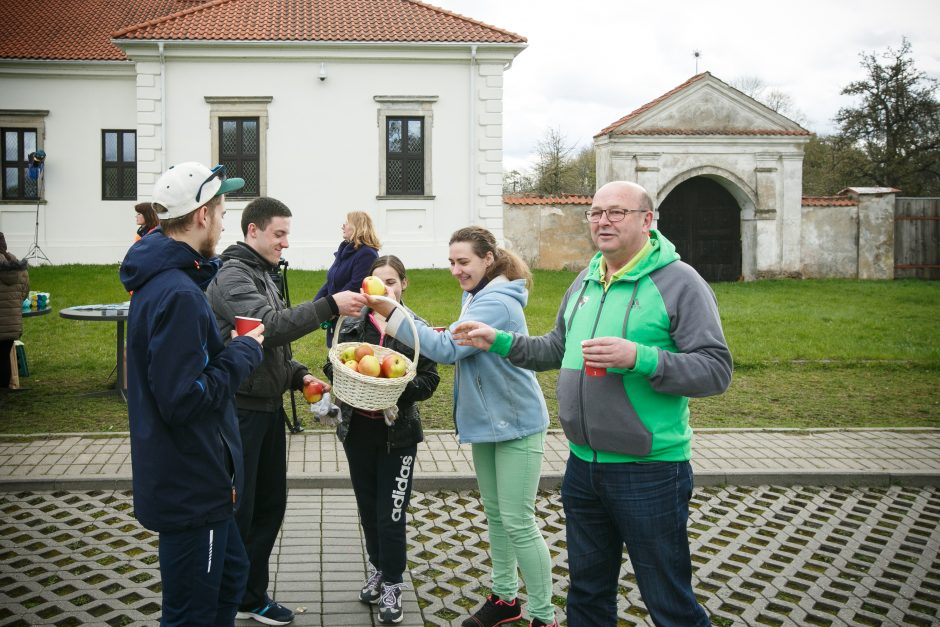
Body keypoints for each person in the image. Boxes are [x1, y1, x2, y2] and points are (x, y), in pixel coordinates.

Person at [453, 181, 734, 627]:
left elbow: (716, 370)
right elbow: (554, 349)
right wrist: (500, 340)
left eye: (616, 212)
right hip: (583, 466)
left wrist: (639, 358)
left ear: (647, 220)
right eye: (596, 212)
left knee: (668, 600)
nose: (602, 221)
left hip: (650, 470)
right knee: (586, 595)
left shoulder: (680, 282)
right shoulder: (587, 278)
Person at [365, 227, 558, 627]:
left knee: (519, 521)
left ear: (488, 259)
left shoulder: (498, 302)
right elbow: (451, 336)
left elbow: (448, 350)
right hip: (488, 423)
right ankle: (505, 599)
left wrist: (391, 312)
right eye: (451, 261)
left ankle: (543, 614)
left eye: (463, 262)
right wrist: (402, 312)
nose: (455, 270)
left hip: (518, 423)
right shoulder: (476, 294)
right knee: (497, 515)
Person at [205, 197, 367, 625]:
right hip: (240, 411)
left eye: (287, 234)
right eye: (279, 234)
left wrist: (298, 376)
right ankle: (233, 596)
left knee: (269, 506)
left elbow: (273, 346)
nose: (285, 243)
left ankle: (246, 593)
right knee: (243, 512)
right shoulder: (234, 275)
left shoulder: (261, 272)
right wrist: (330, 305)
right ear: (253, 230)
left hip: (266, 406)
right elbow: (265, 327)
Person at [119, 162, 265, 627]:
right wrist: (243, 352)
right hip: (191, 485)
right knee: (191, 614)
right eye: (222, 212)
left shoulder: (174, 281)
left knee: (230, 576)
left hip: (201, 480)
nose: (224, 222)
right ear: (202, 215)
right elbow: (184, 399)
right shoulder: (177, 294)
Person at [323, 255, 440, 625]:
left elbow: (429, 380)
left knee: (391, 514)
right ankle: (378, 568)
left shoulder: (414, 329)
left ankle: (393, 582)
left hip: (398, 437)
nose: (384, 289)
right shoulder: (354, 323)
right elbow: (334, 362)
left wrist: (396, 389)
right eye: (377, 281)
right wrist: (343, 372)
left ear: (403, 284)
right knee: (368, 511)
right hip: (357, 432)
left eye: (391, 282)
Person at [314, 211, 381, 345]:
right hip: (337, 310)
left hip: (351, 318)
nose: (343, 226)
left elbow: (356, 285)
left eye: (347, 222)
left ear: (358, 226)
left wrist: (332, 306)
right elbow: (331, 281)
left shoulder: (367, 254)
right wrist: (317, 306)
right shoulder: (345, 250)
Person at [0, 232, 29, 392]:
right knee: (4, 356)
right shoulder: (17, 266)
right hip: (11, 324)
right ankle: (5, 389)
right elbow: (24, 293)